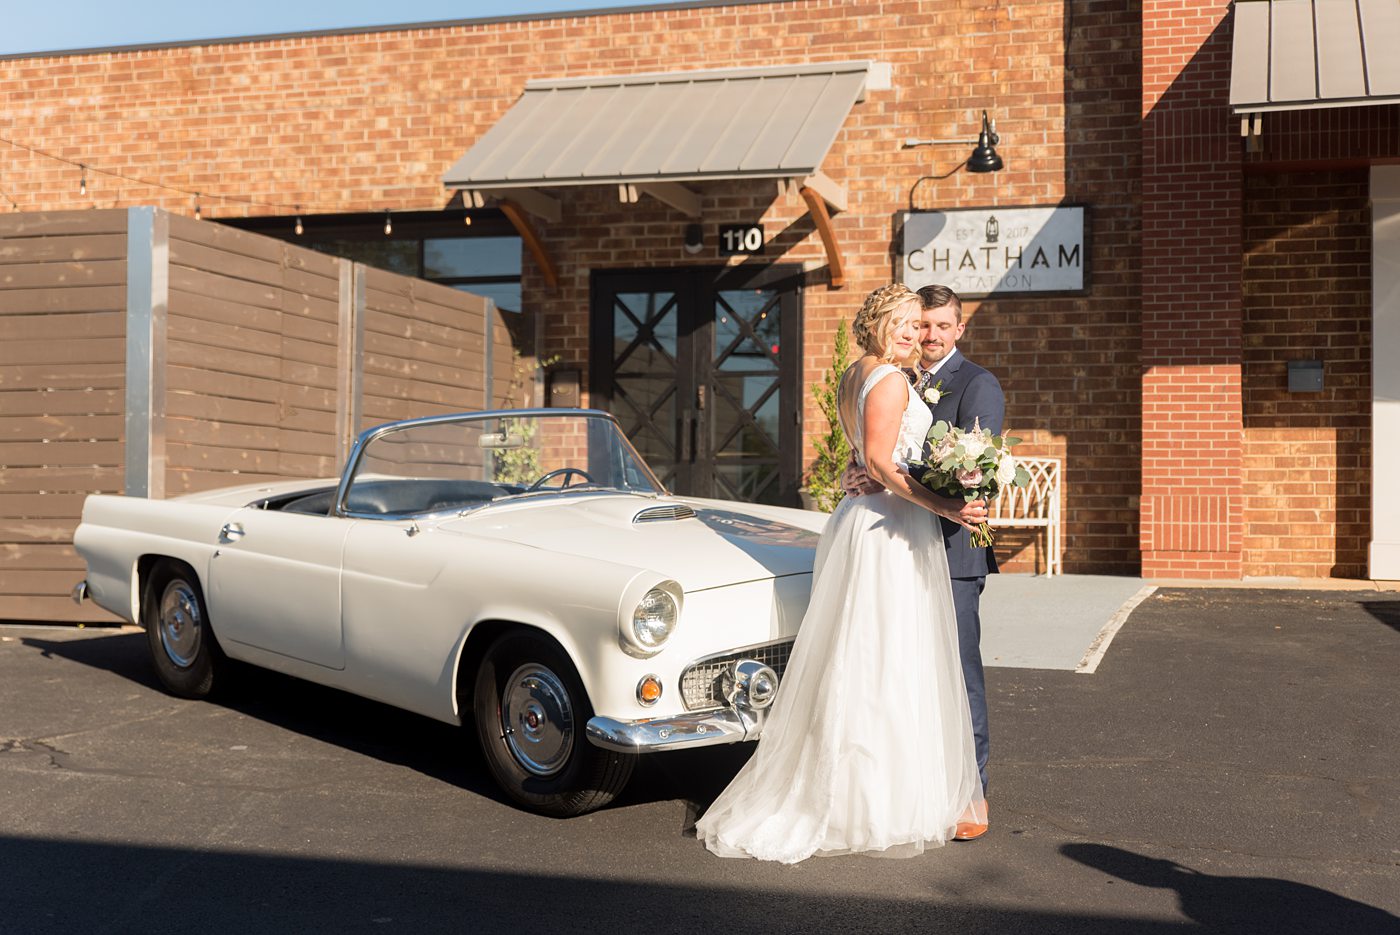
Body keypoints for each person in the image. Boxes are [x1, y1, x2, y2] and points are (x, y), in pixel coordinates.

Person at [695, 283, 985, 863]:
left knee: (864, 653)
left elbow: (864, 456)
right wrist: (948, 504)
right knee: (885, 658)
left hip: (866, 517)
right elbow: (881, 459)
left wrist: (860, 472)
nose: (910, 333)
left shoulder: (856, 374)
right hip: (890, 529)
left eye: (915, 323)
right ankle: (869, 801)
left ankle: (867, 788)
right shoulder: (893, 379)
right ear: (877, 324)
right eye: (900, 323)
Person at [842, 283, 1004, 840]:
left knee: (958, 675)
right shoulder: (893, 376)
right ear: (889, 325)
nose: (925, 335)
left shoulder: (976, 383)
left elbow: (983, 466)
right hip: (898, 538)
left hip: (951, 549)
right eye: (916, 324)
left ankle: (970, 794)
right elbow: (876, 449)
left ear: (958, 329)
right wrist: (857, 469)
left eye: (935, 326)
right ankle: (908, 789)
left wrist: (957, 494)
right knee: (896, 669)